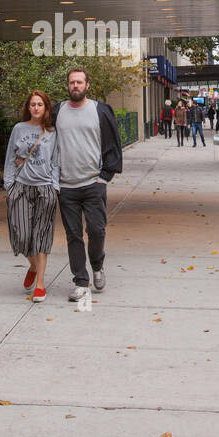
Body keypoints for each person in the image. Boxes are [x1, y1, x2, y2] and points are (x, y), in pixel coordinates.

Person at [53, 67, 123, 302]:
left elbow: (113, 143)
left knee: (96, 230)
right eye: (72, 82)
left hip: (94, 183)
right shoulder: (57, 111)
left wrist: (105, 176)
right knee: (73, 235)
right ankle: (81, 282)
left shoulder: (100, 110)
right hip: (66, 186)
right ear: (68, 85)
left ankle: (97, 265)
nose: (75, 85)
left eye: (79, 82)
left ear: (87, 85)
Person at [3, 90, 60, 302]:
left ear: (46, 108)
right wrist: (9, 185)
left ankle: (40, 285)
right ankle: (33, 267)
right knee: (21, 235)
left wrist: (54, 187)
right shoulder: (19, 129)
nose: (36, 108)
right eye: (33, 104)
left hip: (44, 188)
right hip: (21, 188)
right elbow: (10, 157)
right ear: (28, 107)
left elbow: (56, 161)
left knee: (41, 237)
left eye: (40, 104)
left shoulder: (52, 132)